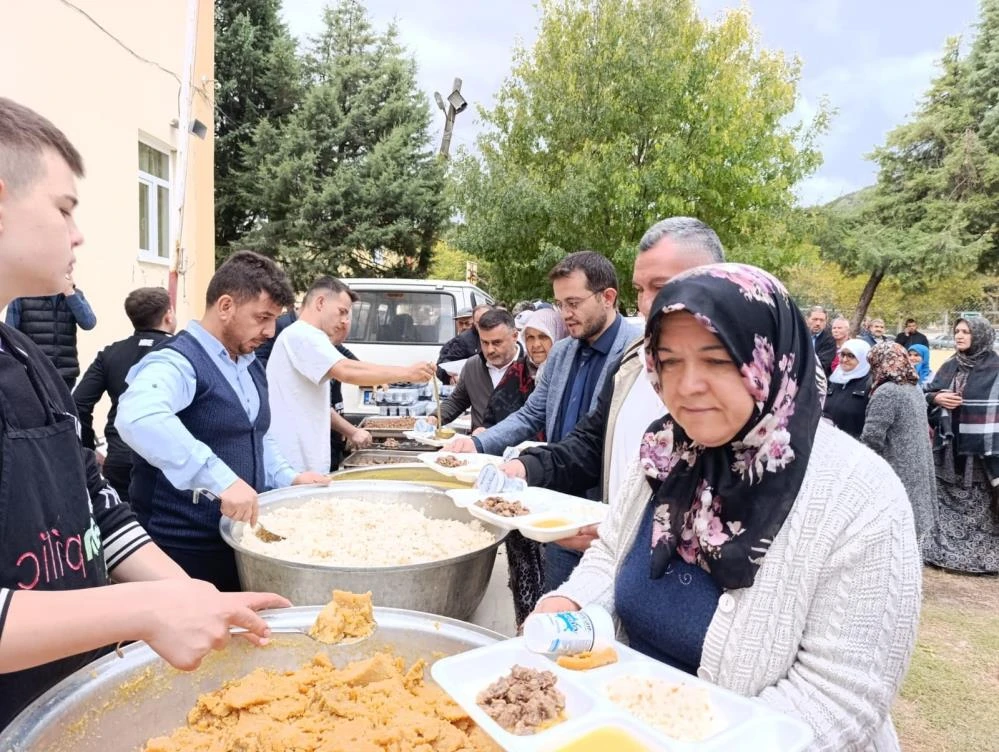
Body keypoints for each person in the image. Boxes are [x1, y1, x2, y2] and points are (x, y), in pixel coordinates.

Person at [535, 263, 921, 751]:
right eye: (669, 361)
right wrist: (569, 604)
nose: (687, 385)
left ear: (773, 358)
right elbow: (611, 554)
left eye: (717, 360)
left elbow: (841, 699)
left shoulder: (860, 497)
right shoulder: (665, 453)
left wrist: (692, 740)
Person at [0, 97, 288, 729]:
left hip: (66, 701)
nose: (78, 234)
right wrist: (144, 611)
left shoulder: (28, 359)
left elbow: (97, 504)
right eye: (64, 208)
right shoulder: (179, 360)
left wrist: (185, 594)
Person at [116, 251, 330, 591]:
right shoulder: (177, 362)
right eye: (262, 317)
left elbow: (256, 435)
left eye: (274, 319)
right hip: (181, 551)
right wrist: (222, 480)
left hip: (238, 542)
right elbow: (138, 417)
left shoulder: (249, 363)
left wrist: (288, 477)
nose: (270, 331)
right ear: (226, 306)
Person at [265, 276, 435, 474]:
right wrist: (407, 373)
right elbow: (346, 370)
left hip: (301, 463)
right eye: (341, 311)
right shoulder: (303, 334)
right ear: (320, 302)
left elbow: (315, 404)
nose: (344, 320)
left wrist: (350, 431)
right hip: (294, 464)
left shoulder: (306, 335)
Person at [72, 287, 176, 502]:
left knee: (121, 519)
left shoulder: (110, 353)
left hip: (120, 458)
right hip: (167, 461)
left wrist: (89, 449)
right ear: (168, 315)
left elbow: (78, 403)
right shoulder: (181, 352)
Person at [924, 317, 999, 575]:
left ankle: (982, 560)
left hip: (983, 452)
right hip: (948, 446)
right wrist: (936, 398)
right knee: (946, 499)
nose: (959, 335)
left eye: (966, 331)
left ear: (980, 335)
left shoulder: (995, 368)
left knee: (980, 501)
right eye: (957, 331)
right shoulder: (950, 365)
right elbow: (927, 393)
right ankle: (944, 553)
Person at [861, 343, 937, 547]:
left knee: (895, 529)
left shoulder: (887, 392)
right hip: (917, 465)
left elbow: (872, 437)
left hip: (896, 466)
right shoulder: (913, 388)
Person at [433, 308, 526, 433]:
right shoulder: (473, 366)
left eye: (497, 342)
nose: (490, 350)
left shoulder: (531, 368)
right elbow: (458, 400)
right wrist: (435, 417)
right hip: (478, 442)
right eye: (485, 343)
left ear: (514, 336)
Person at [5, 278, 97, 390]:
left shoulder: (73, 295)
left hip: (65, 373)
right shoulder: (22, 296)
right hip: (35, 372)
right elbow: (10, 336)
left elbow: (89, 323)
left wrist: (70, 293)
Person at [822, 338, 872, 438]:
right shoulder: (835, 378)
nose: (844, 360)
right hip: (827, 439)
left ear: (863, 358)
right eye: (842, 354)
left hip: (852, 443)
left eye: (851, 356)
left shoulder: (870, 384)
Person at [436, 303, 492, 383]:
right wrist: (450, 377)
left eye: (467, 323)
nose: (464, 327)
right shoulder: (460, 341)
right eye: (460, 323)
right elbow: (442, 366)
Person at [517, 306, 568, 383]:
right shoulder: (516, 371)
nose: (536, 345)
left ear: (558, 336)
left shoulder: (571, 372)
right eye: (530, 337)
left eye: (543, 337)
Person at [806, 306, 836, 376]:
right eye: (815, 319)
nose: (818, 323)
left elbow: (822, 364)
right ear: (807, 320)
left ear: (826, 322)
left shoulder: (830, 339)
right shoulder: (798, 335)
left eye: (822, 320)